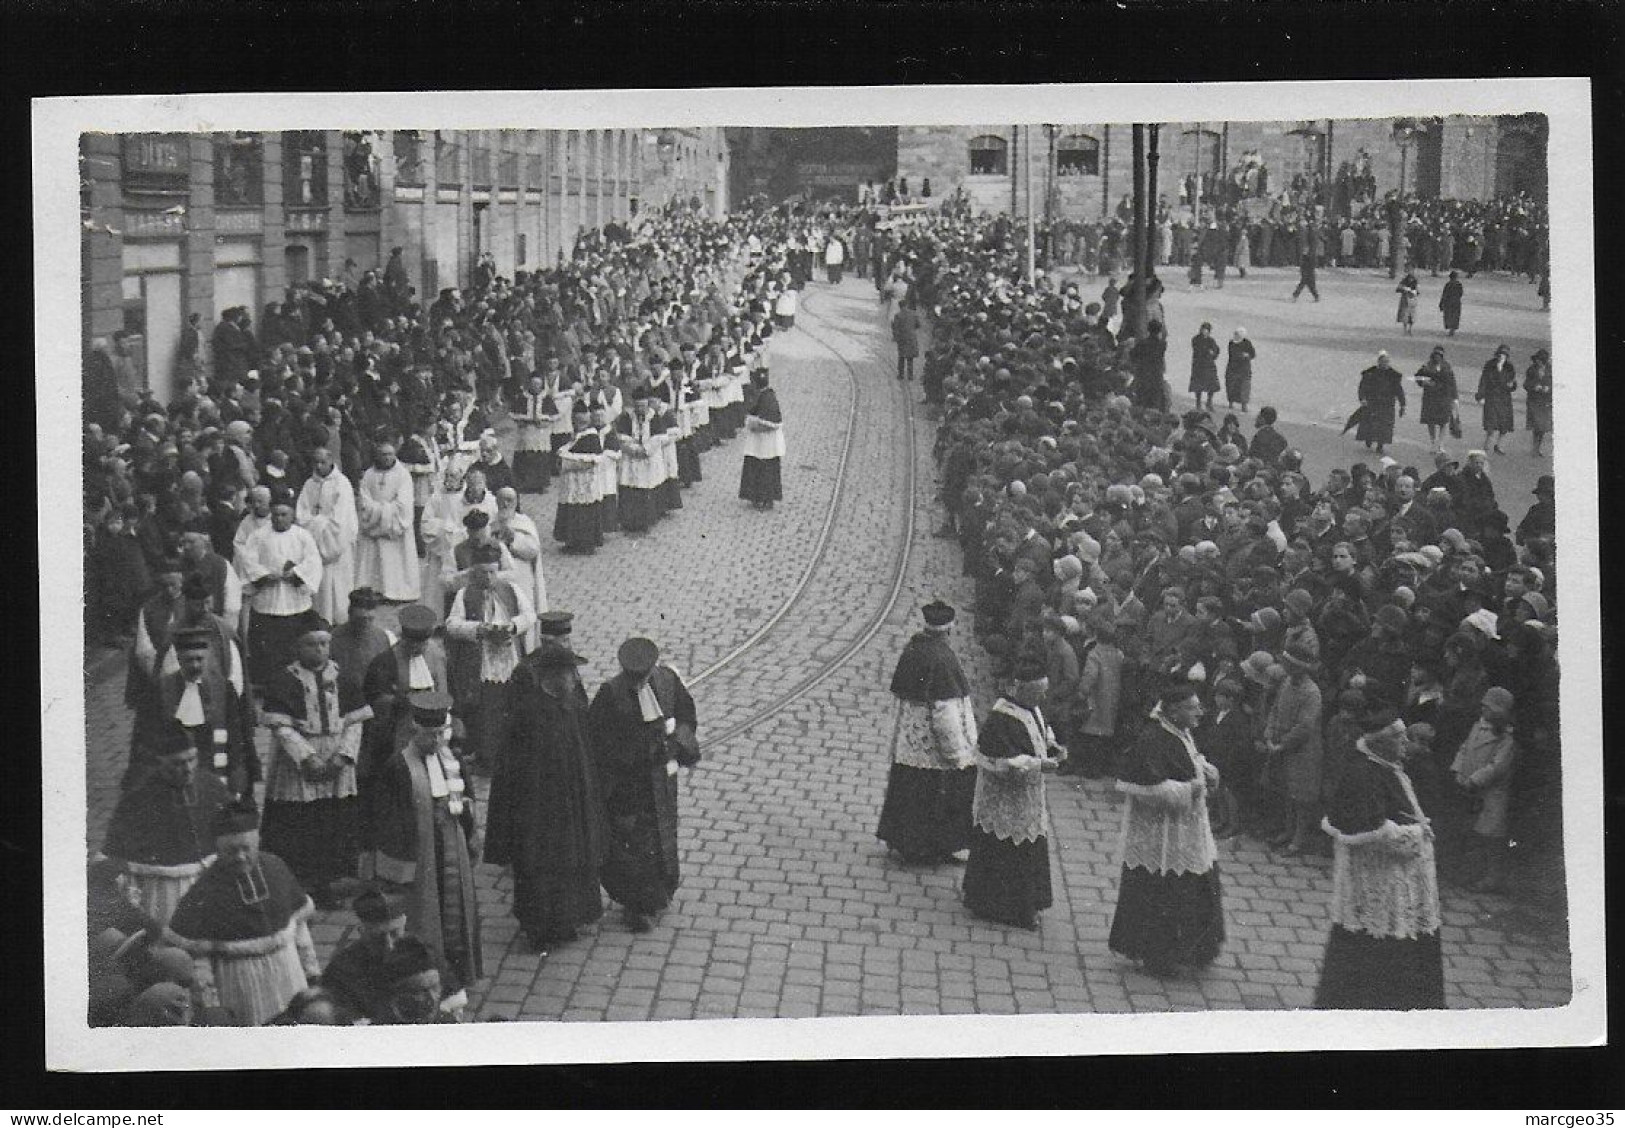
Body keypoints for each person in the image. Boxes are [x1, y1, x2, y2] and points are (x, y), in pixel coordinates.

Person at [1315, 717, 1445, 1010]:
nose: (1406, 745)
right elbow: (1373, 831)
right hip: (1380, 884)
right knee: (1378, 948)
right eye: (1400, 739)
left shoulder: (1386, 768)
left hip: (1396, 882)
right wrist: (1417, 833)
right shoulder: (1363, 773)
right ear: (1380, 743)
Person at [488, 636, 605, 953]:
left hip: (572, 805)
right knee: (541, 870)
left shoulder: (574, 708)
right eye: (569, 675)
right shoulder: (528, 716)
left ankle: (567, 922)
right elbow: (515, 774)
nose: (574, 681)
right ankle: (540, 929)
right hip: (539, 814)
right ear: (552, 678)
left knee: (571, 866)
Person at [361, 691, 484, 992]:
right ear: (415, 731)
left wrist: (468, 827)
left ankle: (457, 971)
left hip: (451, 844)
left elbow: (465, 795)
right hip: (420, 854)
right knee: (425, 912)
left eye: (439, 735)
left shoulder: (450, 757)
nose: (435, 742)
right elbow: (389, 820)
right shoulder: (399, 766)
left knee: (456, 909)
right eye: (429, 736)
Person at [164, 798, 321, 1027]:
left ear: (257, 842)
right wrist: (211, 1005)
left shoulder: (276, 868)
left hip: (288, 974)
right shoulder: (205, 890)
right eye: (231, 851)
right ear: (218, 850)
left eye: (246, 849)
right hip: (239, 986)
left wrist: (312, 972)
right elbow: (198, 957)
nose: (240, 857)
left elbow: (299, 925)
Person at [1107, 681, 1225, 976]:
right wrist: (1191, 788)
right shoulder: (1152, 738)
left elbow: (1188, 760)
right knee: (1165, 890)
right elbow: (1147, 788)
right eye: (1193, 708)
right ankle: (1159, 956)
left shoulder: (1181, 732)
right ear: (1173, 711)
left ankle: (1191, 951)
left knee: (1194, 882)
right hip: (1161, 836)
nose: (1199, 713)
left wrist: (1206, 770)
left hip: (1186, 830)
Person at [588, 637, 701, 934]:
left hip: (661, 778)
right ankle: (638, 904)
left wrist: (676, 743)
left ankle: (662, 890)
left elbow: (688, 716)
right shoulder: (610, 694)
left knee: (663, 832)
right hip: (629, 785)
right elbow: (598, 742)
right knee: (634, 841)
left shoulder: (668, 681)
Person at [259, 625, 371, 906]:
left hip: (336, 760)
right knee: (299, 824)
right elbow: (281, 728)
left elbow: (355, 722)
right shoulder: (284, 680)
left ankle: (326, 884)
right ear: (298, 647)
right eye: (311, 644)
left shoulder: (343, 677)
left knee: (330, 822)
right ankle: (294, 885)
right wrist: (307, 758)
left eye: (323, 643)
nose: (319, 650)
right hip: (298, 762)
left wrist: (342, 757)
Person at [962, 648, 1062, 929]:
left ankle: (1018, 904)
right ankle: (1007, 908)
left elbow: (1041, 730)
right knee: (1008, 851)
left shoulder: (1031, 707)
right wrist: (1038, 764)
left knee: (1023, 847)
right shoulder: (1002, 717)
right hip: (1005, 799)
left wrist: (1052, 746)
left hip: (1027, 798)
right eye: (1039, 693)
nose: (1043, 698)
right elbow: (1002, 761)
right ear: (1023, 690)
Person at [101, 722, 234, 928]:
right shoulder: (138, 798)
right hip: (166, 887)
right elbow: (115, 852)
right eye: (178, 763)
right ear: (160, 763)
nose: (188, 769)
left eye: (192, 759)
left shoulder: (211, 785)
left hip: (211, 879)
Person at [876, 601, 979, 865]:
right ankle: (936, 845)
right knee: (937, 794)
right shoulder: (944, 659)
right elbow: (945, 713)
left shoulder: (913, 649)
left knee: (909, 789)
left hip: (909, 741)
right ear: (949, 630)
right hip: (932, 746)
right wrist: (957, 753)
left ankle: (901, 839)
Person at [445, 540, 535, 773]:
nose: (487, 578)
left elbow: (530, 615)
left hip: (507, 656)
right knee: (484, 708)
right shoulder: (465, 595)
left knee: (508, 704)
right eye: (482, 572)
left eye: (492, 572)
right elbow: (452, 624)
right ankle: (485, 755)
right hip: (481, 658)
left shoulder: (511, 590)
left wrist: (513, 627)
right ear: (474, 572)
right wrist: (477, 629)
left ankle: (509, 753)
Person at [322, 885, 465, 1024]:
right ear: (362, 931)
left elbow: (454, 999)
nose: (389, 944)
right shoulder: (341, 971)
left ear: (404, 924)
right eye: (378, 937)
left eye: (395, 933)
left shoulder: (424, 955)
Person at [237, 487, 324, 687]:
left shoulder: (303, 536)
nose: (279, 519)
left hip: (295, 602)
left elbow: (313, 562)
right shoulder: (258, 536)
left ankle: (296, 682)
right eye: (275, 515)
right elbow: (248, 561)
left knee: (294, 645)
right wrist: (266, 575)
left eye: (284, 515)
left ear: (292, 515)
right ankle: (269, 684)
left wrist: (296, 574)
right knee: (267, 647)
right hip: (268, 601)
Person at [1449, 686, 1517, 893]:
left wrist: (1475, 780)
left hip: (1491, 794)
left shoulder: (1506, 738)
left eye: (1487, 708)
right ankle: (1474, 872)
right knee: (1473, 833)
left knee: (1490, 837)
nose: (1483, 711)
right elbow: (1464, 748)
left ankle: (1493, 876)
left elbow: (1497, 767)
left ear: (1498, 711)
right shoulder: (1477, 727)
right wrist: (1458, 769)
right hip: (1470, 789)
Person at [295, 446, 358, 627]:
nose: (319, 466)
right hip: (316, 545)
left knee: (337, 587)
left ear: (331, 460)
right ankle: (319, 620)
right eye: (316, 462)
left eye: (323, 462)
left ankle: (339, 620)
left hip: (336, 546)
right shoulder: (309, 484)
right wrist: (318, 526)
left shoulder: (341, 484)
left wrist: (319, 525)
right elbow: (302, 514)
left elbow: (341, 519)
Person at [354, 439, 421, 604]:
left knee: (395, 562)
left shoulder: (403, 475)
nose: (386, 458)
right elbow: (364, 502)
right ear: (377, 455)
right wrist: (382, 512)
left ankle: (397, 593)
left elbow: (404, 504)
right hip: (374, 530)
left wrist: (381, 514)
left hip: (394, 531)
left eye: (390, 454)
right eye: (383, 454)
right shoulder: (368, 475)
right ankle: (373, 591)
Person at [553, 403, 606, 554]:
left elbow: (591, 460)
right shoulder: (576, 435)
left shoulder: (591, 436)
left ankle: (586, 544)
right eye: (576, 422)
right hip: (573, 482)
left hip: (585, 483)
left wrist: (566, 460)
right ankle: (572, 542)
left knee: (584, 511)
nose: (579, 425)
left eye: (582, 422)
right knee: (573, 511)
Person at [739, 368, 784, 510]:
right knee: (756, 465)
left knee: (766, 468)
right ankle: (756, 496)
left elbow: (774, 423)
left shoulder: (769, 398)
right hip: (758, 440)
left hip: (767, 441)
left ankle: (767, 498)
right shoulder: (761, 395)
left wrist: (755, 426)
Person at [1352, 351, 1406, 456]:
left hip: (1387, 404)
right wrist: (1362, 398)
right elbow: (1362, 387)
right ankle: (1369, 438)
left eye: (1387, 362)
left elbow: (1399, 390)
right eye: (1383, 362)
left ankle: (1380, 445)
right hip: (1372, 402)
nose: (1385, 364)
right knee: (1370, 423)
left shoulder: (1393, 375)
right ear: (1378, 362)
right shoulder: (1370, 373)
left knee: (1385, 425)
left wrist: (1402, 404)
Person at [1415, 347, 1459, 452]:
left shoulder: (1447, 367)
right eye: (1435, 355)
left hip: (1444, 397)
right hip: (1430, 398)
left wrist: (1455, 398)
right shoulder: (1426, 366)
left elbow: (1452, 383)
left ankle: (1441, 444)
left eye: (1439, 355)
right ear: (1433, 356)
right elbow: (1417, 377)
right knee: (1431, 422)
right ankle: (1433, 442)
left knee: (1444, 422)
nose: (1437, 357)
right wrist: (1424, 382)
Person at [1476, 344, 1518, 455]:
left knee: (1504, 425)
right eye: (1500, 354)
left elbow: (1513, 383)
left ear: (1507, 356)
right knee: (1491, 425)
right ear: (1496, 354)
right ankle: (1486, 447)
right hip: (1491, 398)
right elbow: (1483, 381)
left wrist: (1512, 385)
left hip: (1504, 400)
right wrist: (1480, 396)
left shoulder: (1509, 367)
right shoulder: (1489, 365)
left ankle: (1498, 446)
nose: (1501, 357)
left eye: (1504, 355)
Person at [1524, 349, 1552, 457]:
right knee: (1537, 426)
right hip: (1534, 401)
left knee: (1543, 427)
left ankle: (1537, 448)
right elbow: (1526, 384)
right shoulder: (1531, 370)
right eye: (1536, 360)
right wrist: (1534, 386)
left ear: (1543, 361)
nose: (1537, 362)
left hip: (1546, 402)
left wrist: (1548, 389)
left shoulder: (1551, 370)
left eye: (1539, 360)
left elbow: (1556, 384)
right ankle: (1535, 449)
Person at [1189, 323, 1220, 412]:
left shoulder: (1211, 340)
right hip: (1198, 365)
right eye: (1203, 329)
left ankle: (1209, 402)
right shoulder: (1196, 339)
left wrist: (1213, 353)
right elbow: (1198, 350)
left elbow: (1216, 350)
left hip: (1209, 365)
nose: (1204, 332)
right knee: (1198, 385)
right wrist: (1208, 351)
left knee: (1212, 385)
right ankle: (1198, 403)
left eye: (1207, 330)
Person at [1224, 328, 1255, 414]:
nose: (1237, 336)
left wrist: (1247, 355)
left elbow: (1253, 354)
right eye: (1236, 334)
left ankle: (1244, 405)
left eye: (1238, 334)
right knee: (1231, 386)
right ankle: (1231, 403)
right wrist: (1243, 355)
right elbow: (1232, 354)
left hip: (1244, 369)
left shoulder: (1247, 343)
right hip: (1233, 368)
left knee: (1244, 387)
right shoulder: (1231, 343)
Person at [892, 298, 922, 383]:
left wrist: (896, 337)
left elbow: (895, 328)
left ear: (900, 306)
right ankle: (910, 375)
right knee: (910, 358)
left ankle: (901, 375)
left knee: (901, 356)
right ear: (906, 305)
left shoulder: (898, 315)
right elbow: (918, 325)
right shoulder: (913, 314)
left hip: (902, 338)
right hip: (912, 337)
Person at [1439, 270, 1464, 335]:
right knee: (1455, 316)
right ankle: (1452, 330)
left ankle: (1451, 329)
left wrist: (1441, 303)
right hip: (1456, 302)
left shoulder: (1448, 284)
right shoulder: (1459, 284)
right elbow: (1461, 293)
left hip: (1448, 303)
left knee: (1449, 316)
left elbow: (1444, 294)